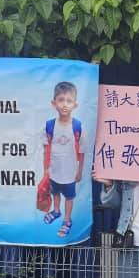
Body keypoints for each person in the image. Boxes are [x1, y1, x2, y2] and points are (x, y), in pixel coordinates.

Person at [42, 81, 84, 239]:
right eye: (61, 100)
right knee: (55, 192)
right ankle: (56, 211)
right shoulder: (49, 126)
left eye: (69, 101)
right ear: (54, 103)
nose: (65, 104)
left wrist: (79, 171)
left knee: (69, 196)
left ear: (75, 104)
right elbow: (46, 148)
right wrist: (45, 168)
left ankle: (66, 220)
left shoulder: (77, 126)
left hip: (70, 172)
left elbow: (82, 151)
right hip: (54, 170)